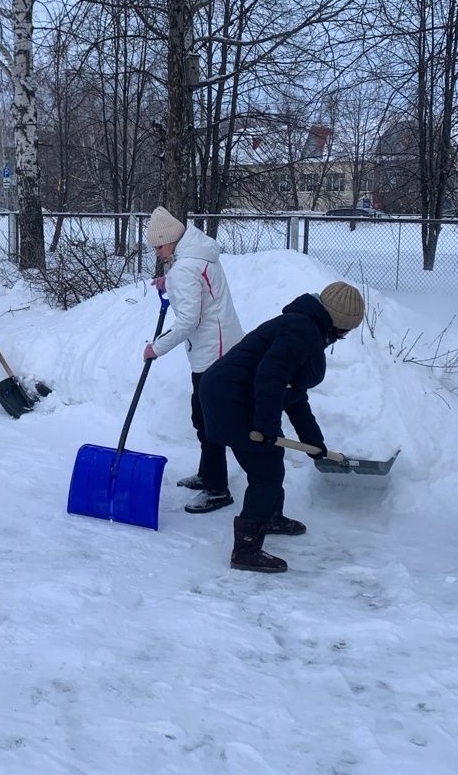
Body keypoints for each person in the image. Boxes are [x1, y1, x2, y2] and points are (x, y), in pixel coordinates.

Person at [199, 281, 365, 573]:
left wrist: (315, 442)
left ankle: (271, 516)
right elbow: (270, 380)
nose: (343, 337)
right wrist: (266, 427)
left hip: (232, 392)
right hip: (230, 398)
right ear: (339, 326)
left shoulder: (307, 327)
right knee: (266, 472)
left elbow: (294, 396)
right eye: (346, 332)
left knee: (270, 461)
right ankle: (246, 550)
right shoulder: (302, 332)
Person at [137, 206, 243, 513]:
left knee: (210, 421)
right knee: (204, 416)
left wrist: (155, 348)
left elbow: (187, 322)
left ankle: (217, 489)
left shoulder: (184, 269)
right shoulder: (198, 254)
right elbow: (196, 286)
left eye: (158, 246)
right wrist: (167, 282)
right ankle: (208, 473)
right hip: (223, 346)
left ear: (170, 239)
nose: (158, 252)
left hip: (212, 354)